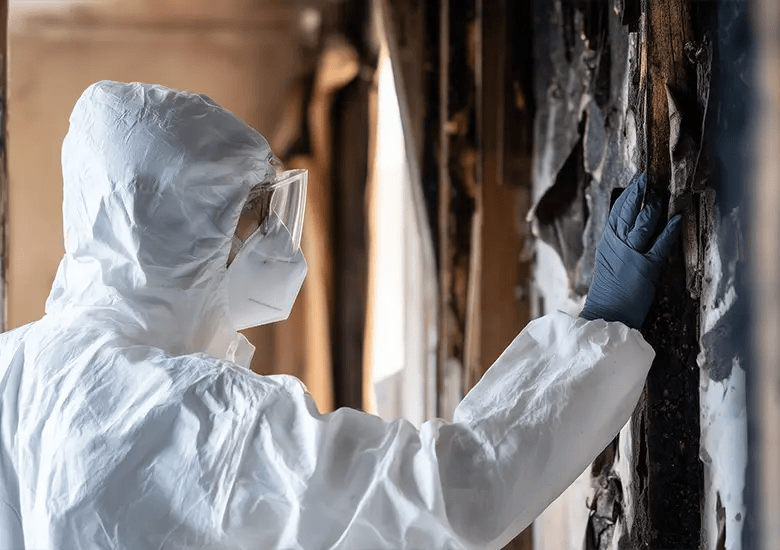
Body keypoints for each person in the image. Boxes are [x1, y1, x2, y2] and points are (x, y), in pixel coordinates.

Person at [0, 81, 680, 550]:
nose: (266, 243)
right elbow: (451, 493)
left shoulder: (16, 369)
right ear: (180, 238)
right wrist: (594, 337)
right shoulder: (185, 414)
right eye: (248, 219)